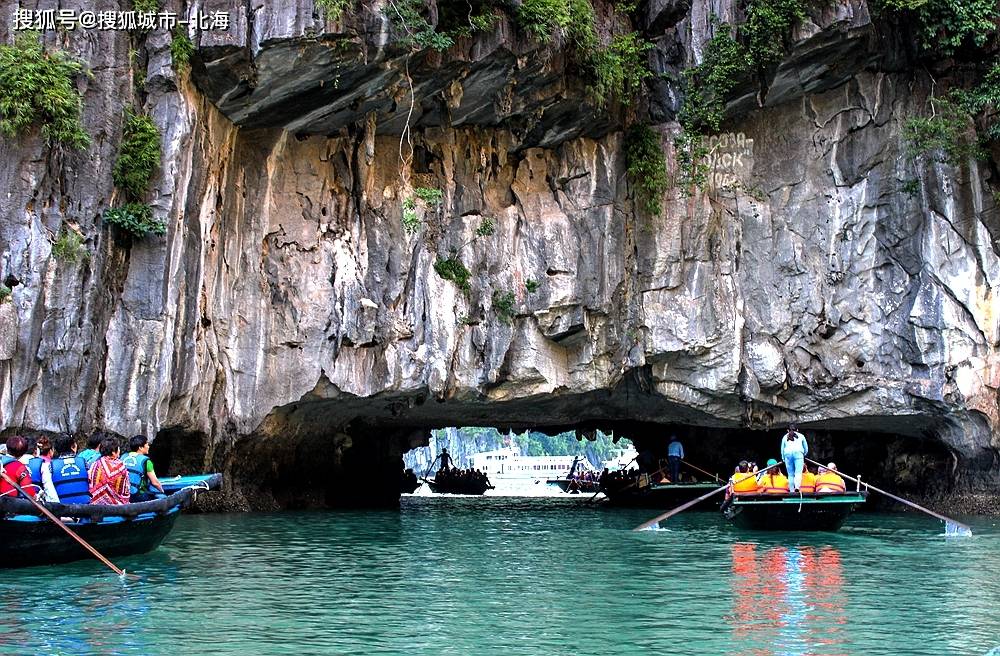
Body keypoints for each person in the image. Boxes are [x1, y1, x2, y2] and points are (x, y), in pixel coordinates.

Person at [121, 435, 165, 502]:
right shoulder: (146, 461)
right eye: (147, 444)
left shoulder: (122, 457)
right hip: (137, 496)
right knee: (161, 496)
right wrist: (163, 491)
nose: (148, 446)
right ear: (140, 447)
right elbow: (155, 483)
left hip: (122, 494)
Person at [50, 433, 91, 504]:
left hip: (62, 509)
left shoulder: (51, 466)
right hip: (85, 507)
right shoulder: (83, 462)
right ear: (73, 446)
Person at [89, 438, 130, 505]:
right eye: (118, 448)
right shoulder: (121, 467)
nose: (119, 450)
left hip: (96, 504)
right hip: (116, 506)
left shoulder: (95, 464)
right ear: (113, 452)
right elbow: (125, 491)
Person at [780, 424, 808, 493]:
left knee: (790, 474)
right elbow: (806, 448)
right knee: (798, 472)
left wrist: (783, 458)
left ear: (787, 430)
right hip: (798, 454)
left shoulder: (784, 437)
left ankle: (792, 491)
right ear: (797, 430)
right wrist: (804, 454)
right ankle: (797, 487)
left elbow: (782, 449)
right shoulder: (801, 436)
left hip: (787, 455)